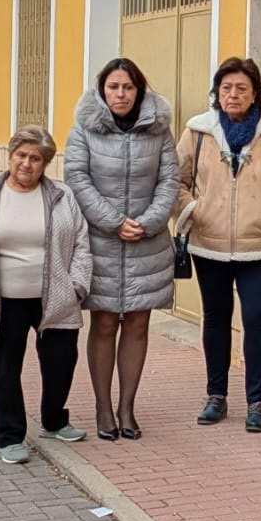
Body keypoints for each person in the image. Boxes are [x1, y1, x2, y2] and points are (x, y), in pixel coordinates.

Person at [175, 58, 261, 433]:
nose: (233, 95)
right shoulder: (198, 132)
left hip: (260, 245)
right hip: (209, 242)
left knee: (256, 319)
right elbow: (174, 179)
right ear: (217, 93)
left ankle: (257, 401)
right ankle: (216, 395)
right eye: (226, 88)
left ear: (255, 95)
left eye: (241, 89)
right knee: (216, 319)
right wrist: (191, 209)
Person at [0, 127, 94, 463]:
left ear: (45, 164)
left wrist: (77, 287)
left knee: (61, 362)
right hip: (3, 300)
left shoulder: (62, 197)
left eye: (36, 158)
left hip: (56, 297)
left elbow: (81, 244)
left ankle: (54, 420)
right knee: (5, 368)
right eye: (21, 155)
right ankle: (10, 436)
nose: (27, 164)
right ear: (10, 155)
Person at [65, 58, 178, 441]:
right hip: (101, 241)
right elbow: (76, 177)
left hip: (148, 240)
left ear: (139, 90)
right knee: (105, 322)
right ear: (102, 90)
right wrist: (113, 220)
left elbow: (170, 181)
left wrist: (148, 221)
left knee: (138, 323)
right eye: (113, 87)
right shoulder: (85, 127)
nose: (120, 94)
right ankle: (102, 406)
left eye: (128, 87)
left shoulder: (159, 130)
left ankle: (127, 406)